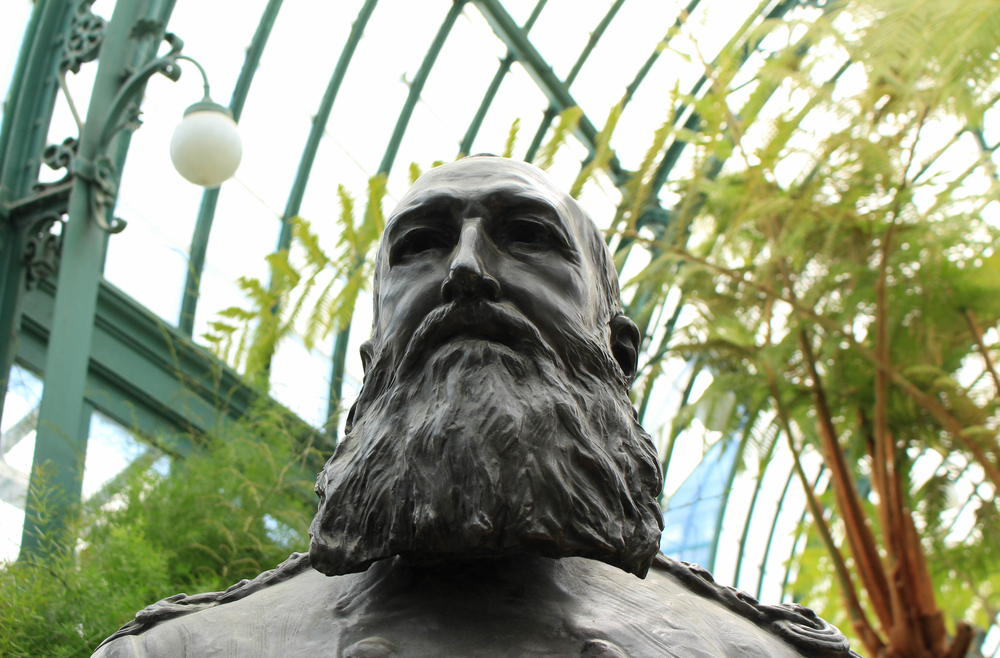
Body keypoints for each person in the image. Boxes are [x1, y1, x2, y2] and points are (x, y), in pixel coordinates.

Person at [93, 156, 857, 658]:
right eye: (421, 245)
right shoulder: (177, 653)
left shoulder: (759, 651)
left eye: (526, 236)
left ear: (619, 353)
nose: (464, 269)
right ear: (372, 360)